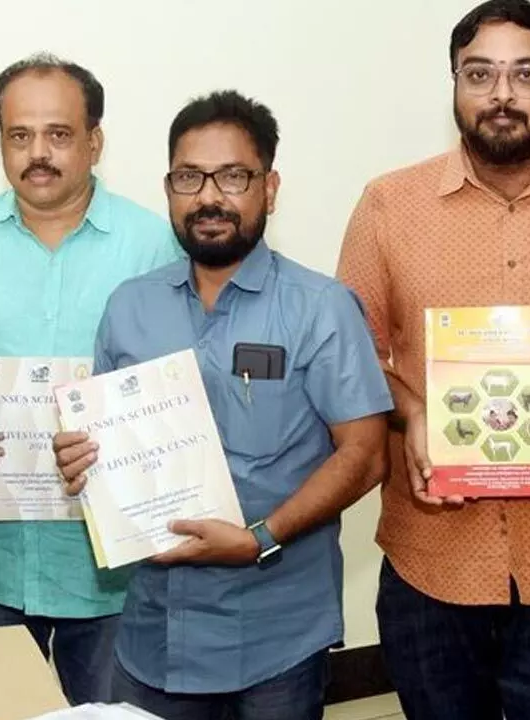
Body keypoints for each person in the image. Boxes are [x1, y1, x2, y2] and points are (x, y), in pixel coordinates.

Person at [52, 90, 392, 720]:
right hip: (152, 635)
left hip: (274, 640)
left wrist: (260, 538)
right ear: (169, 187)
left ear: (270, 186)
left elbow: (367, 456)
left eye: (233, 176)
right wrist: (79, 459)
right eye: (189, 177)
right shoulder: (130, 305)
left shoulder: (321, 307)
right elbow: (103, 447)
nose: (209, 197)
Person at [336, 2, 530, 717]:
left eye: (526, 74)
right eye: (480, 74)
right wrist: (412, 412)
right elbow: (349, 354)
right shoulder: (388, 205)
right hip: (432, 557)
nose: (501, 94)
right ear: (454, 85)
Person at [0, 52, 182, 704]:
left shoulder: (155, 246)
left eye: (58, 134)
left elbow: (184, 392)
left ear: (94, 141)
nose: (37, 153)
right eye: (19, 135)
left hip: (109, 570)